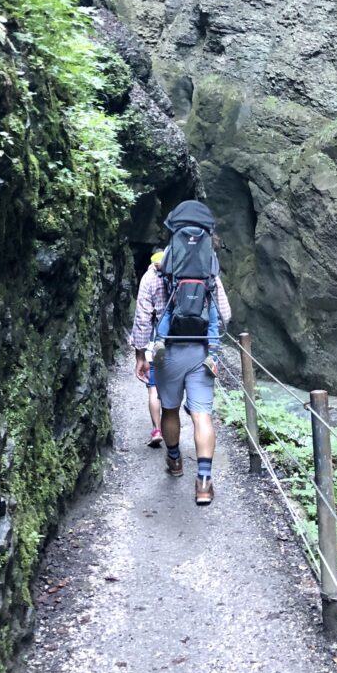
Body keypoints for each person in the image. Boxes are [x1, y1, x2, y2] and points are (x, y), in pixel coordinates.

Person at [131, 202, 231, 506]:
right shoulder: (208, 270)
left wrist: (139, 355)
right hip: (202, 352)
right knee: (202, 415)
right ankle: (203, 482)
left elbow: (141, 318)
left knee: (171, 410)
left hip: (167, 353)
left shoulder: (155, 273)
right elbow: (225, 314)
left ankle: (175, 461)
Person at [132, 250, 166, 448]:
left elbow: (143, 319)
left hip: (156, 344)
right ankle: (174, 440)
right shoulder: (182, 275)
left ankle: (157, 429)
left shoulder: (150, 278)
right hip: (182, 342)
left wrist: (140, 353)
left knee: (153, 389)